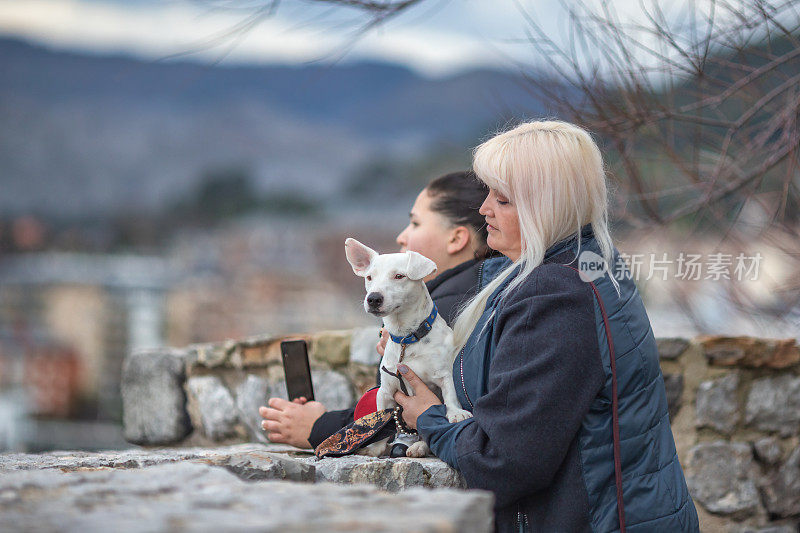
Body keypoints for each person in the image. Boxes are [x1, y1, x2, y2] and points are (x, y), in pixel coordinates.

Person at [391, 121, 700, 532]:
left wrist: (431, 417)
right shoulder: (587, 266)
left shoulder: (557, 293)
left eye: (502, 199)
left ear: (544, 207)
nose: (484, 209)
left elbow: (504, 460)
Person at [258, 171, 506, 450]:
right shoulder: (491, 289)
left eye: (414, 222)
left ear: (456, 238)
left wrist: (319, 426)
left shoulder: (452, 308)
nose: (402, 235)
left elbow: (403, 411)